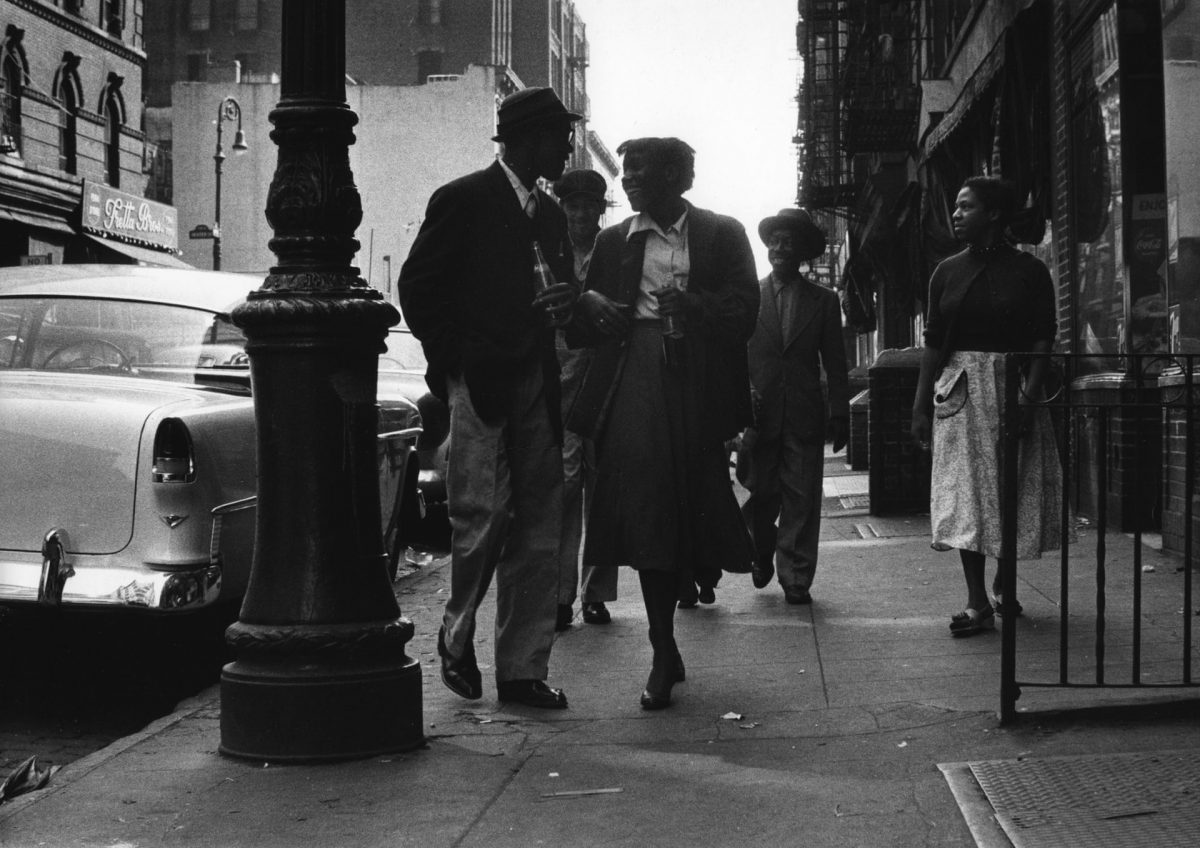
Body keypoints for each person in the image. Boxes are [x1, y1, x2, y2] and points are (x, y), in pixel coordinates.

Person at [398, 87, 580, 708]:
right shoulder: (463, 200)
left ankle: (522, 670)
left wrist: (570, 303)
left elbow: (566, 297)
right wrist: (454, 363)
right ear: (527, 139)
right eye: (560, 136)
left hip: (538, 383)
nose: (568, 146)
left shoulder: (552, 217)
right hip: (480, 380)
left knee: (539, 523)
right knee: (482, 513)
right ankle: (456, 630)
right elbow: (418, 288)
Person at [567, 137, 758, 710]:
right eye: (624, 171)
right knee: (648, 511)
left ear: (679, 176)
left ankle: (692, 594)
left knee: (693, 507)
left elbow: (746, 312)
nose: (627, 181)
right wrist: (589, 305)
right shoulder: (613, 241)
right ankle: (661, 649)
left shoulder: (723, 233)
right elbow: (582, 329)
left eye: (640, 171)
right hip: (637, 384)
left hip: (699, 388)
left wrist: (694, 308)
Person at [910, 175, 1061, 637]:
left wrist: (1030, 397)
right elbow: (933, 345)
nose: (955, 214)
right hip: (960, 392)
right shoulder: (946, 273)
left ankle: (1005, 585)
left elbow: (1042, 337)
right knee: (966, 496)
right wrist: (920, 405)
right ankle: (977, 602)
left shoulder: (1030, 271)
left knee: (1011, 489)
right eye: (956, 206)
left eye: (966, 206)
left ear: (993, 214)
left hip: (1013, 387)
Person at [742, 208, 849, 606]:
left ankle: (796, 577)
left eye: (788, 241)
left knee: (801, 498)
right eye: (774, 241)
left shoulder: (823, 301)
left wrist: (839, 412)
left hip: (804, 414)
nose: (780, 248)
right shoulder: (750, 296)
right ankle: (761, 547)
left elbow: (835, 361)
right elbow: (734, 354)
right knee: (759, 494)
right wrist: (740, 397)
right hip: (759, 415)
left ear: (802, 251)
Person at [551, 168, 619, 630]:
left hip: (605, 381)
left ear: (599, 210)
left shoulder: (614, 251)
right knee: (564, 489)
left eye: (588, 206)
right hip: (561, 384)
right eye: (572, 206)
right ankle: (559, 596)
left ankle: (596, 594)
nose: (580, 214)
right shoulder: (552, 252)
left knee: (603, 493)